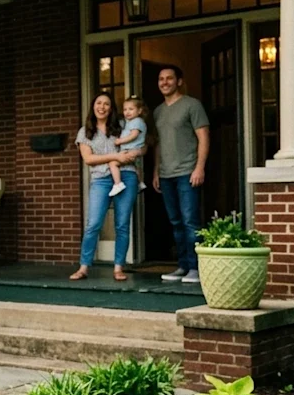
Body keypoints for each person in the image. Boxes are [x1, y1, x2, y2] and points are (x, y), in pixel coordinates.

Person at [70, 92, 142, 282]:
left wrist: (134, 152)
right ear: (93, 106)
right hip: (100, 180)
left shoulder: (122, 125)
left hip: (126, 175)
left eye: (107, 104)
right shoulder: (85, 132)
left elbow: (142, 144)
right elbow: (88, 159)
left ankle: (118, 267)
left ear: (111, 108)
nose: (102, 107)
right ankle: (84, 267)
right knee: (93, 224)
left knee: (122, 224)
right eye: (99, 103)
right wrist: (115, 157)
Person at [151, 65, 210, 284]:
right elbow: (158, 144)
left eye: (169, 78)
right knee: (175, 222)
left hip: (187, 171)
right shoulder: (157, 111)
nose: (164, 82)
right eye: (161, 79)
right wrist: (156, 170)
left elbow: (203, 137)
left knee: (190, 221)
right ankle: (183, 265)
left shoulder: (192, 105)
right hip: (166, 174)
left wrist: (199, 167)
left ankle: (196, 268)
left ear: (179, 81)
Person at [108, 96, 148, 197]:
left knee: (113, 163)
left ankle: (118, 184)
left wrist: (120, 141)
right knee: (136, 167)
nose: (127, 112)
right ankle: (140, 183)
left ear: (139, 111)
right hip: (133, 149)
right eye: (125, 109)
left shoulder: (137, 121)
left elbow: (133, 135)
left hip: (130, 150)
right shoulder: (129, 122)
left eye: (131, 109)